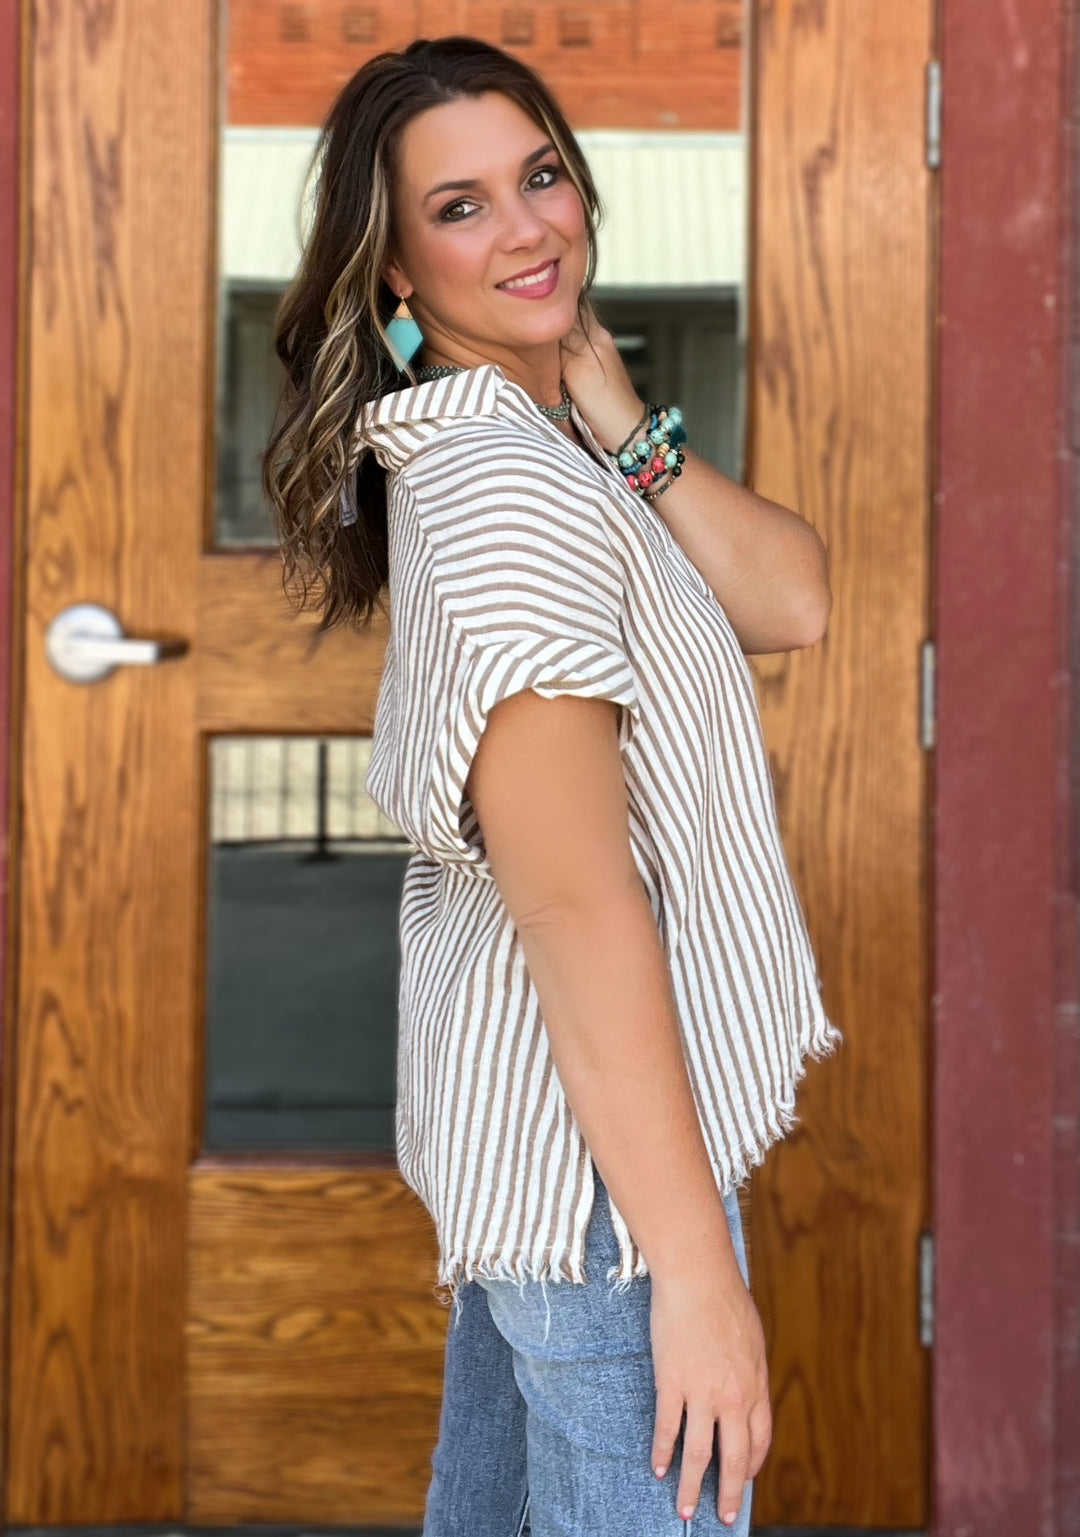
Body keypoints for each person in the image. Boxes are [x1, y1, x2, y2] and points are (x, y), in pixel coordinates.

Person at [264, 34, 840, 1537]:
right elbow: (578, 908)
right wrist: (695, 1278)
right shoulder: (508, 499)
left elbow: (794, 598)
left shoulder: (538, 448)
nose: (528, 228)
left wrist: (614, 404)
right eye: (459, 209)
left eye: (537, 177)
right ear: (392, 270)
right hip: (602, 1193)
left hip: (549, 1158)